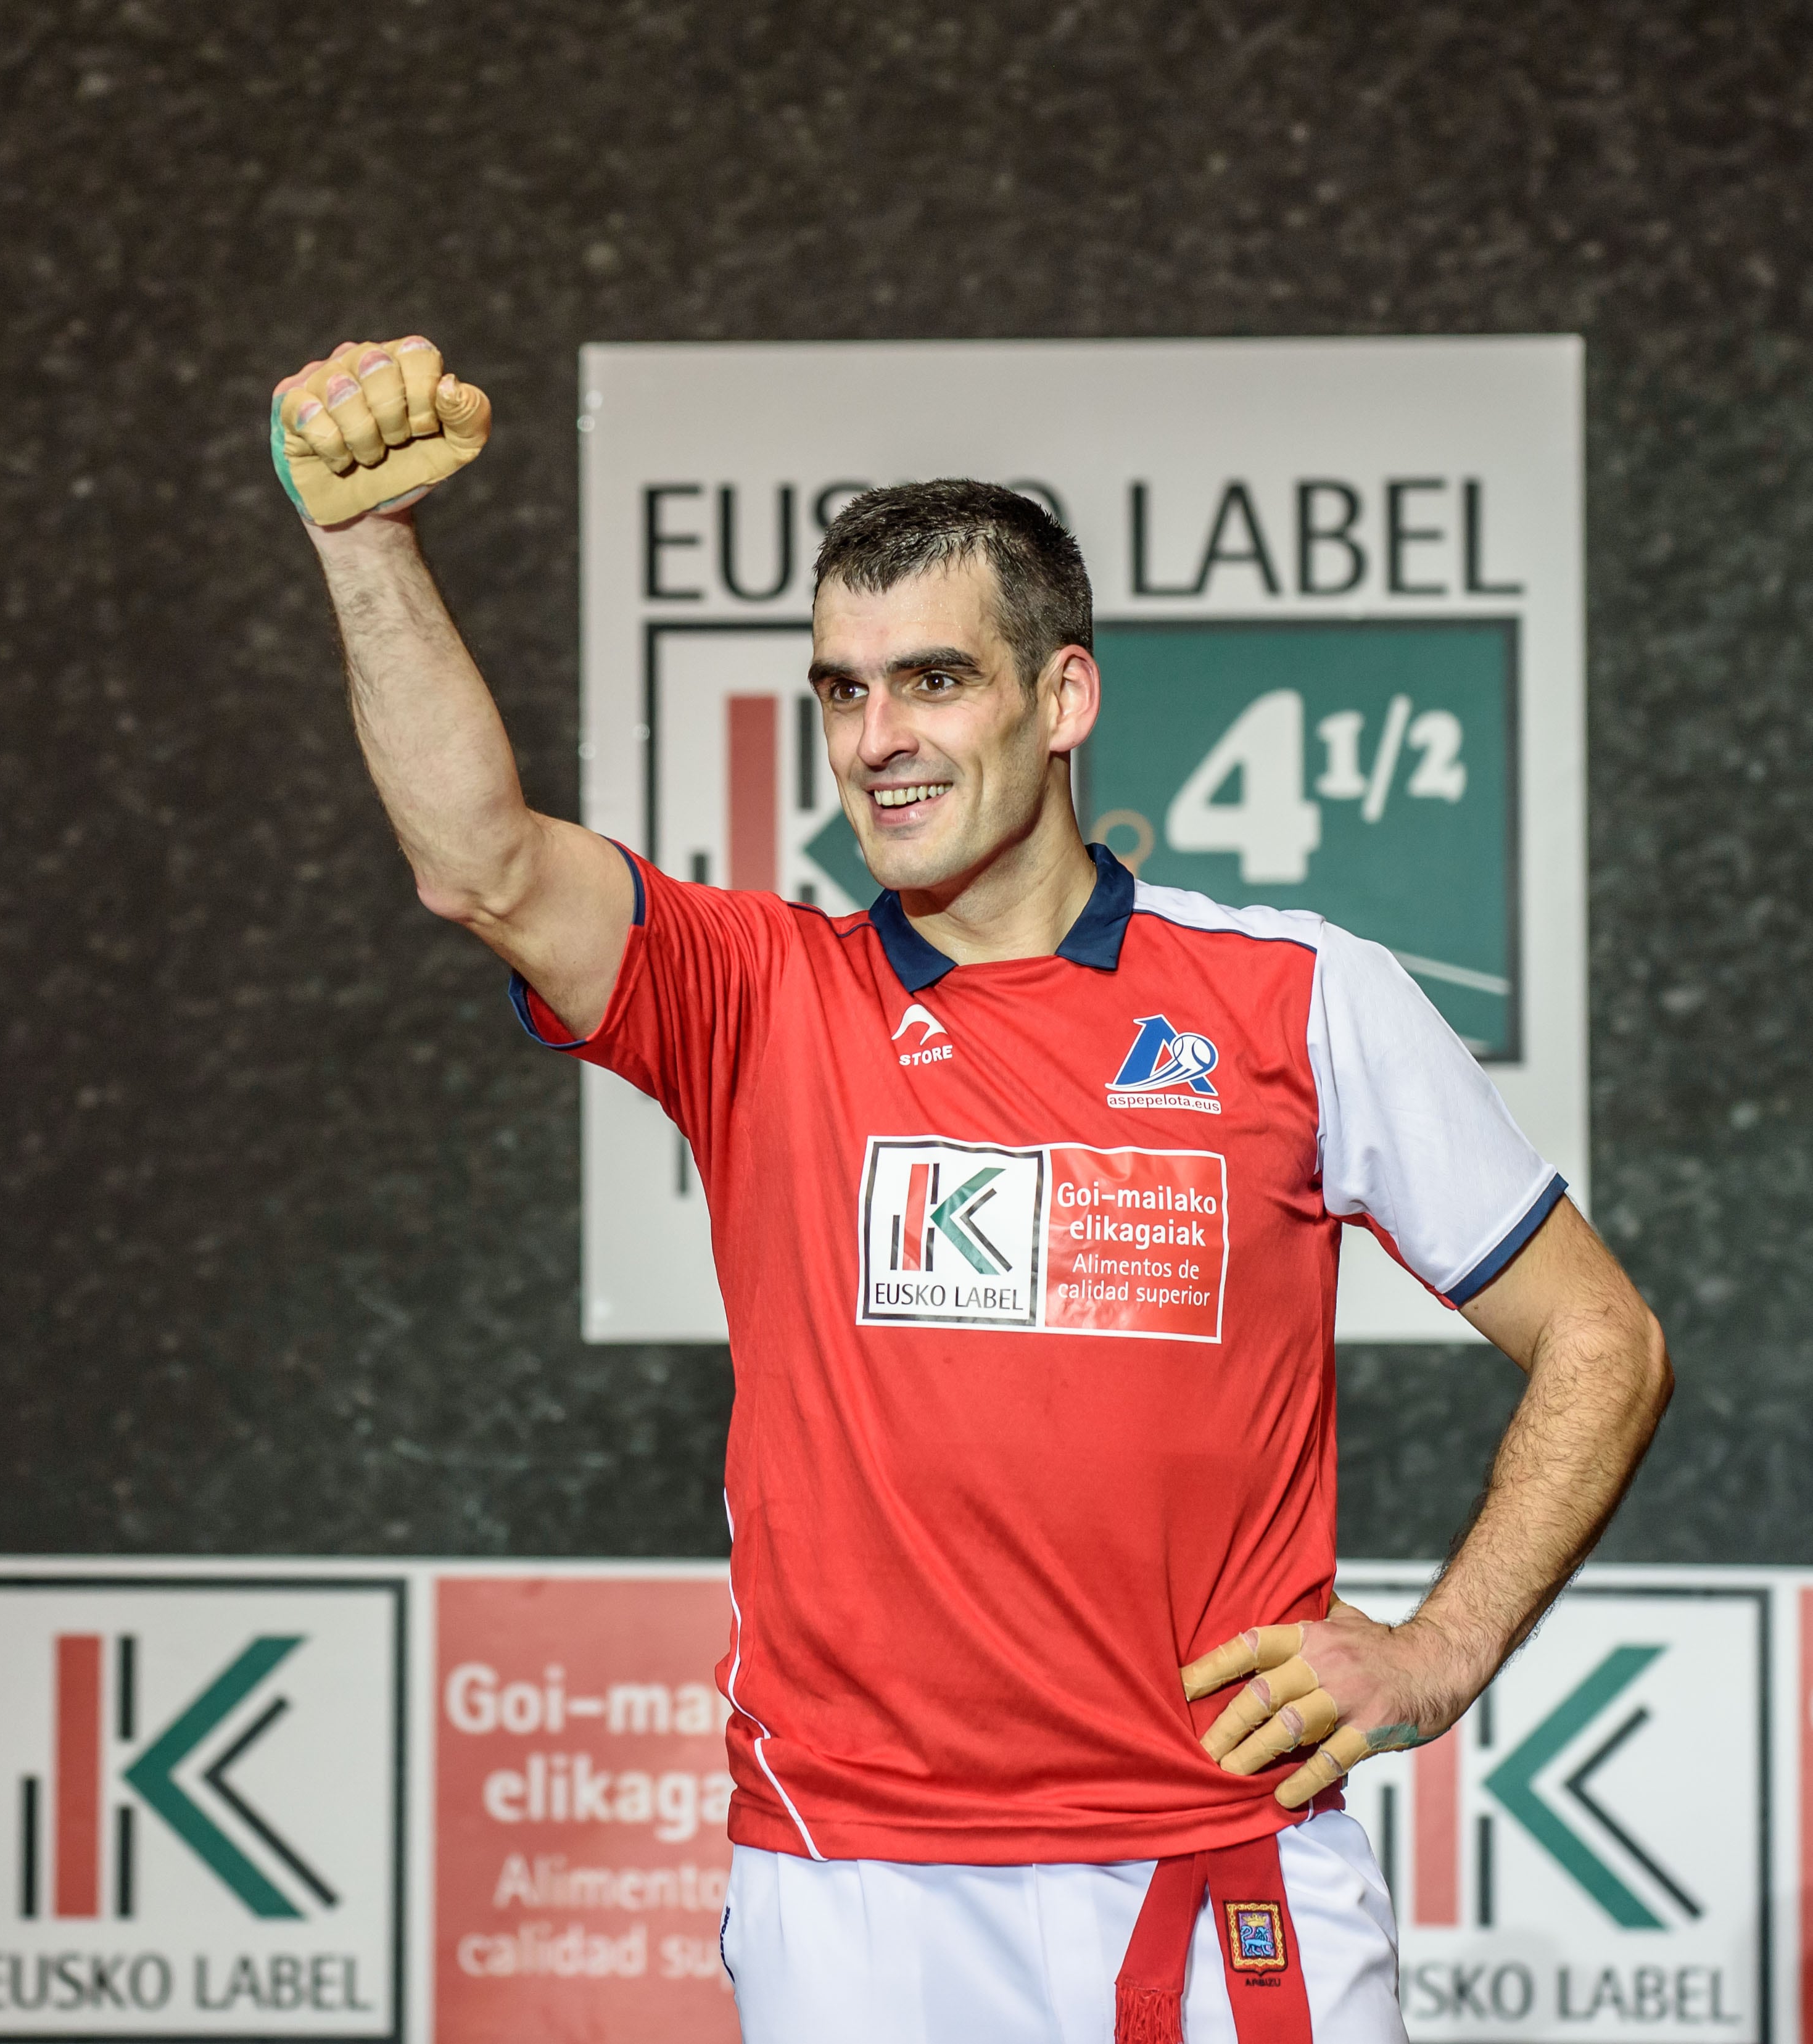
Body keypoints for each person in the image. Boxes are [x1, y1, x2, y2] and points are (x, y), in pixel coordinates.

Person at [268, 341, 1670, 2040]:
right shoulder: (759, 991)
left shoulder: (1295, 996)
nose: (878, 740)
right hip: (851, 1886)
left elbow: (1597, 1336)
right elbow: (477, 860)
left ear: (1060, 698)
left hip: (1210, 1857)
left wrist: (1441, 1651)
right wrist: (366, 551)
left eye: (929, 680)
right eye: (840, 692)